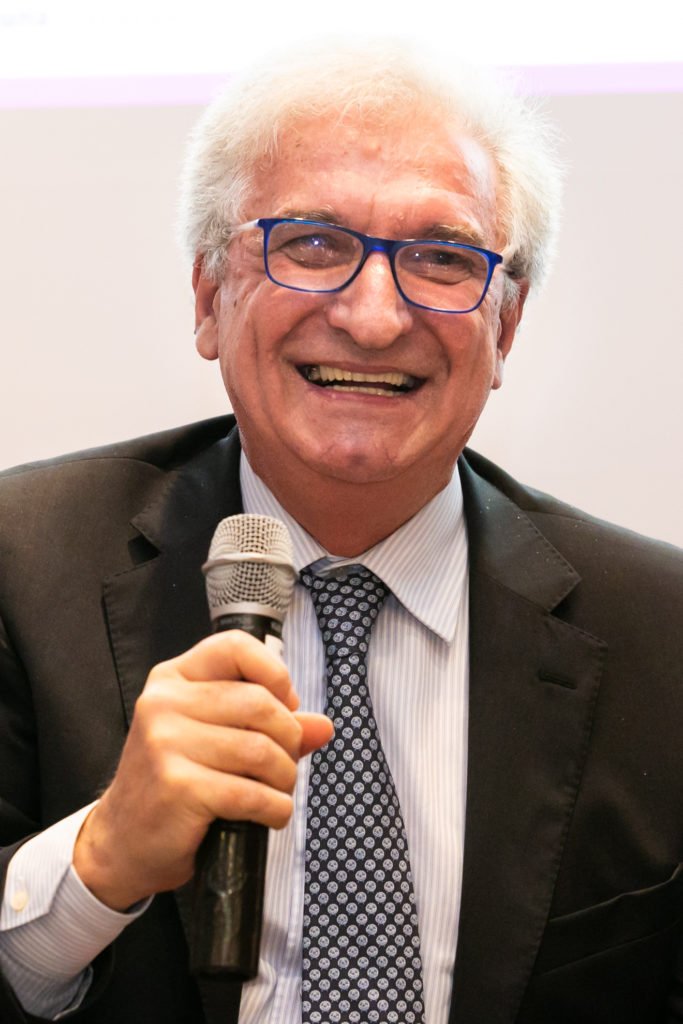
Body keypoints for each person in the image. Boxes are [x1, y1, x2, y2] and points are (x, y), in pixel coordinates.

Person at [0, 37, 682, 1024]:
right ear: (208, 295)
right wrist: (99, 862)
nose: (372, 318)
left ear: (505, 327)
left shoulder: (660, 633)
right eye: (312, 245)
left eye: (441, 259)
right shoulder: (20, 568)